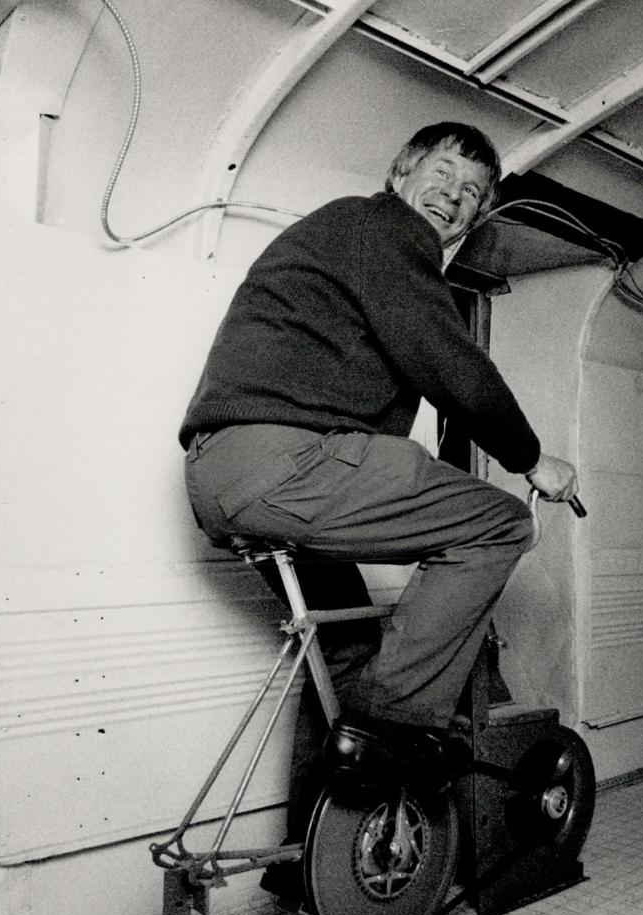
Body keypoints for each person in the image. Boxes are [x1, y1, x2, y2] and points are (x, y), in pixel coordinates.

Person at [179, 122, 578, 783]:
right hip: (288, 464)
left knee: (346, 651)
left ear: (473, 219)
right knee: (500, 523)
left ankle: (306, 855)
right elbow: (452, 363)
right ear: (400, 174)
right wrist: (533, 460)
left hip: (223, 474)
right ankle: (392, 728)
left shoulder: (351, 239)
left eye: (472, 192)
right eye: (443, 174)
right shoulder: (384, 230)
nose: (453, 196)